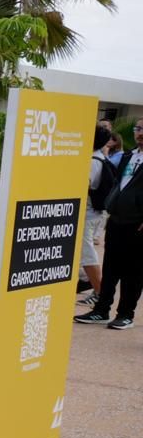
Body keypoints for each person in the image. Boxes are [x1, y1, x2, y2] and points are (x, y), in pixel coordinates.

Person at [77, 120, 143, 331]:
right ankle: (101, 309)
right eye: (138, 129)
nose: (139, 133)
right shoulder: (128, 156)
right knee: (111, 266)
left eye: (142, 129)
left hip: (137, 223)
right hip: (116, 218)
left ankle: (125, 314)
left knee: (133, 271)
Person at [80, 123, 118, 305]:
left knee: (86, 253)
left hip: (88, 214)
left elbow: (84, 186)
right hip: (94, 213)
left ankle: (100, 292)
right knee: (82, 252)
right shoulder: (100, 158)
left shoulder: (92, 161)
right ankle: (86, 281)